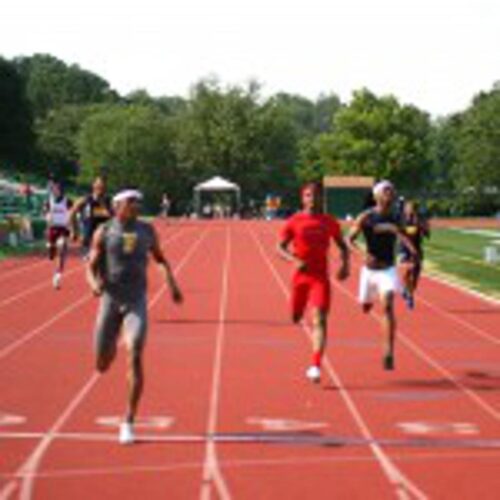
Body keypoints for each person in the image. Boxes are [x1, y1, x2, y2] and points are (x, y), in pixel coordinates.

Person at [86, 188, 183, 445]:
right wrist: (93, 283)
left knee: (136, 350)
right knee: (102, 364)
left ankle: (128, 421)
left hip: (136, 301)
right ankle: (109, 349)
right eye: (132, 201)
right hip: (110, 300)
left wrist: (171, 283)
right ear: (118, 205)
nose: (137, 204)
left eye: (139, 201)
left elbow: (160, 259)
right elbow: (91, 264)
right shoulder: (105, 231)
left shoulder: (147, 231)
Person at [278, 182, 350, 383]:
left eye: (316, 195)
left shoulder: (329, 222)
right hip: (300, 278)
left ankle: (316, 365)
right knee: (295, 316)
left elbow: (343, 247)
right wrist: (294, 260)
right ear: (303, 198)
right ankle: (296, 311)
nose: (312, 199)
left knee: (319, 319)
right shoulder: (294, 221)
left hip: (320, 278)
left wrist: (345, 266)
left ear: (321, 198)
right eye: (308, 195)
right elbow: (279, 247)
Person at [348, 180, 417, 371]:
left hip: (387, 269)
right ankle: (367, 301)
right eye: (386, 191)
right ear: (377, 195)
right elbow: (349, 240)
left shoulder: (397, 217)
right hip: (369, 271)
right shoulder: (366, 217)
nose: (390, 194)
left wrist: (413, 252)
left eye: (392, 191)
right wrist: (362, 255)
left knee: (387, 304)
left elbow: (403, 236)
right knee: (365, 305)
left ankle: (388, 352)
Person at [70, 176, 113, 257]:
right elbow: (72, 212)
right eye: (98, 185)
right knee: (91, 265)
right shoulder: (85, 200)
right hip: (88, 239)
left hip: (105, 240)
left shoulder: (110, 202)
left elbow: (117, 218)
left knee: (104, 267)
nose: (101, 188)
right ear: (93, 185)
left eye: (103, 186)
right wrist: (74, 230)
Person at [399, 200, 430, 309]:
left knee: (415, 278)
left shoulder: (420, 220)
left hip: (417, 249)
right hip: (404, 250)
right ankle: (406, 291)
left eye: (412, 208)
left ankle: (410, 293)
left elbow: (427, 234)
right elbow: (399, 233)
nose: (409, 210)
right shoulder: (401, 220)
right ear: (405, 209)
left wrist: (422, 225)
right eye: (407, 208)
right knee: (406, 272)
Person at [44, 182, 72, 289]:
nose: (56, 192)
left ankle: (58, 274)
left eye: (58, 190)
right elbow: (45, 212)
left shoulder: (67, 201)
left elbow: (73, 212)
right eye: (55, 190)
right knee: (51, 252)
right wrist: (47, 216)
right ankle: (51, 249)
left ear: (62, 191)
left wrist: (72, 224)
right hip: (52, 228)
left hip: (63, 228)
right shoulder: (49, 201)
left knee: (63, 247)